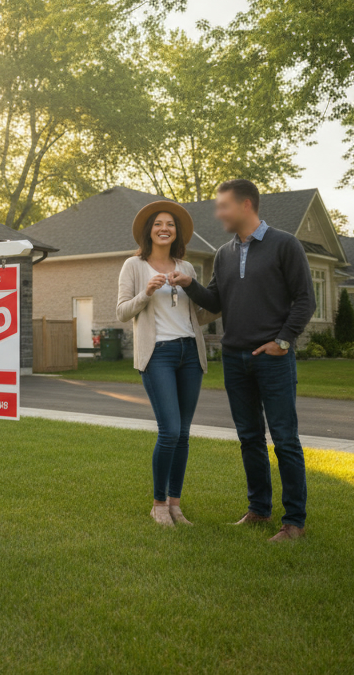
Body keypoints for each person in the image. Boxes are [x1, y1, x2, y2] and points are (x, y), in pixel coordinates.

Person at [177, 179, 315, 542]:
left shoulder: (285, 244)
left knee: (284, 439)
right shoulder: (223, 253)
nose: (218, 213)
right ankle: (258, 510)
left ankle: (294, 522)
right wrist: (188, 283)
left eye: (223, 206)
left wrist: (283, 341)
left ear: (246, 205)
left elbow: (305, 300)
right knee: (249, 437)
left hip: (272, 359)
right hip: (235, 359)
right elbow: (216, 302)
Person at [116, 201, 211, 527]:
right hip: (158, 355)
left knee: (183, 434)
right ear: (149, 230)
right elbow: (122, 312)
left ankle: (175, 504)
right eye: (158, 223)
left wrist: (212, 297)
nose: (164, 228)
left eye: (170, 224)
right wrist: (146, 292)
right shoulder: (134, 265)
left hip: (190, 355)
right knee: (169, 430)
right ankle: (158, 504)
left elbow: (198, 316)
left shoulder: (186, 267)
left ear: (176, 232)